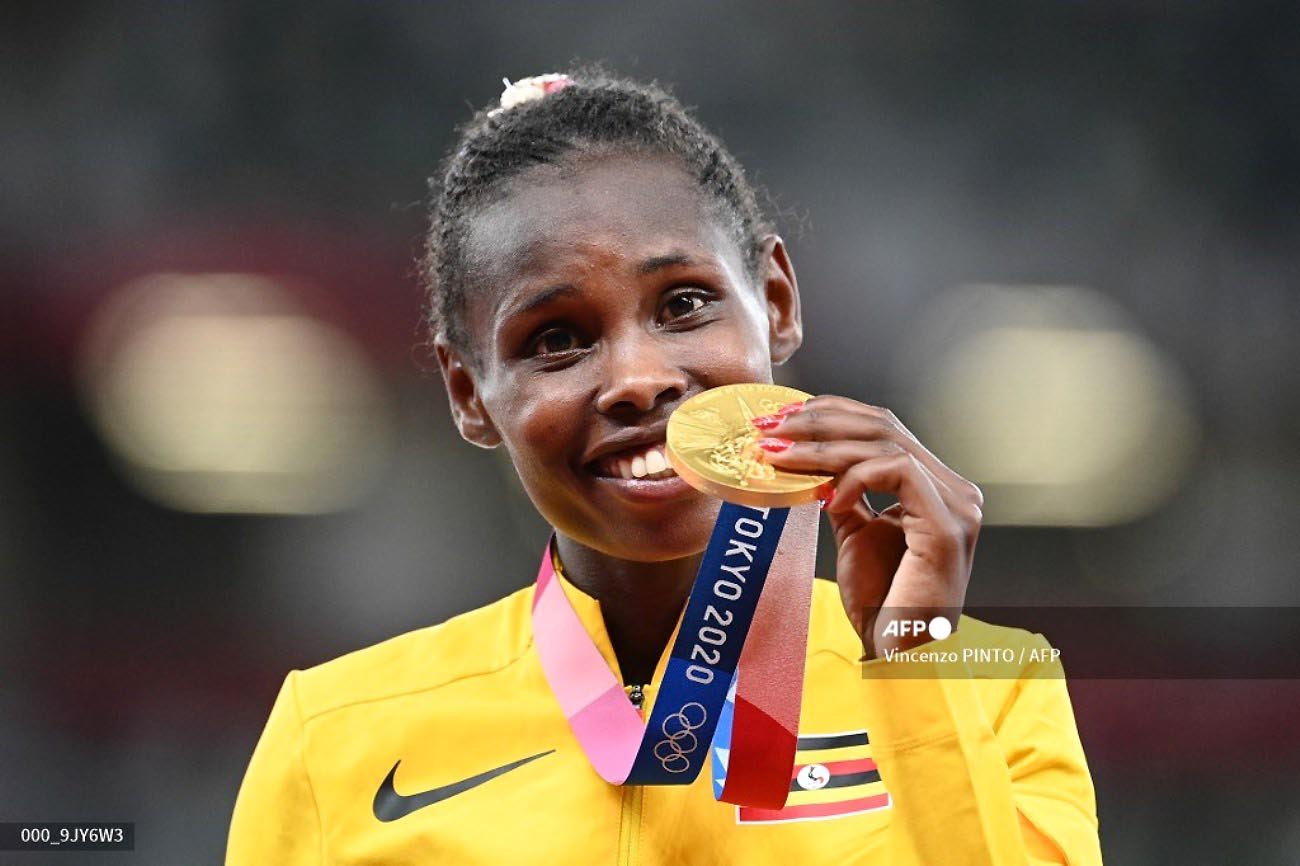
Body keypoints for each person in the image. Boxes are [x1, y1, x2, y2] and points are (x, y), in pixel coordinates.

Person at [226, 68, 1102, 865]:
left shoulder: (994, 692)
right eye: (555, 340)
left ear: (776, 303)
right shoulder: (333, 739)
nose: (640, 380)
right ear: (468, 394)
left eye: (684, 303)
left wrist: (913, 669)